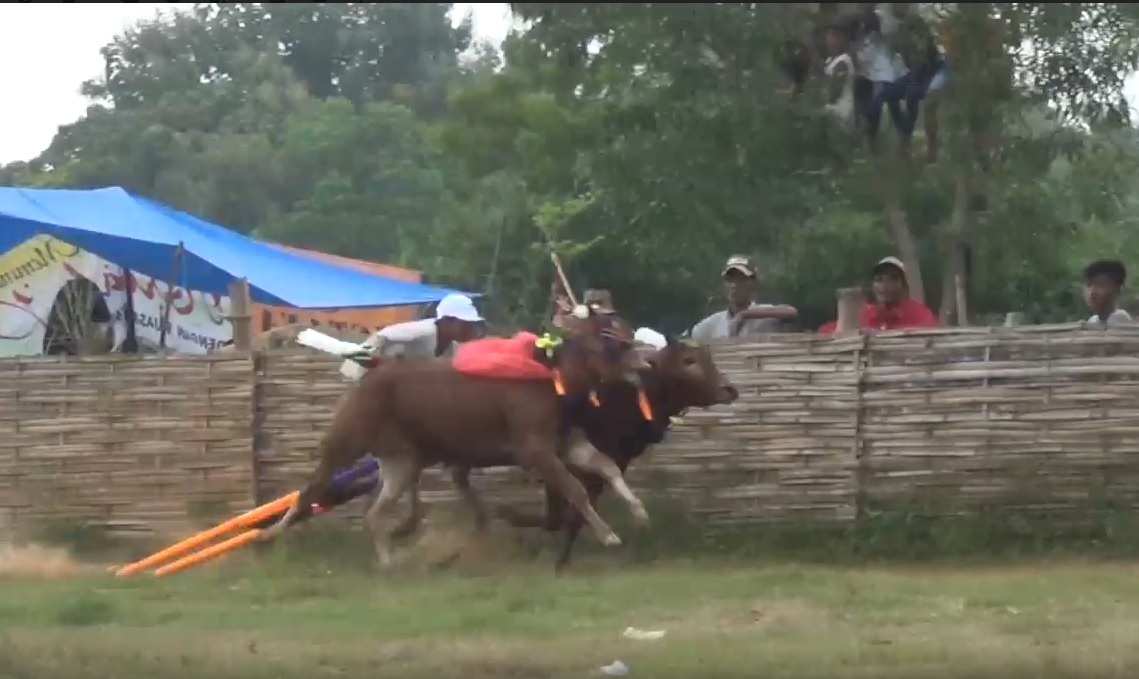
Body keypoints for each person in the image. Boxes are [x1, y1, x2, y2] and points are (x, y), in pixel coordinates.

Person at [340, 293, 484, 380]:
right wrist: (360, 368)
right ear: (447, 321)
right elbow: (381, 337)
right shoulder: (419, 333)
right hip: (366, 372)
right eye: (465, 324)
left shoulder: (451, 349)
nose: (470, 330)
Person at [690, 255, 798, 343]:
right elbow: (696, 335)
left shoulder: (765, 316)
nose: (734, 285)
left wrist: (744, 315)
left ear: (752, 283)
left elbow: (791, 312)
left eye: (741, 279)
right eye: (730, 280)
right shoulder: (712, 325)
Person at [861, 256, 937, 330]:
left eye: (893, 279)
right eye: (879, 279)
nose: (884, 285)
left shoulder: (921, 315)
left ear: (904, 285)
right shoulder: (867, 315)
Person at [1083, 259, 1132, 326]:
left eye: (1100, 285)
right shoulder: (1093, 321)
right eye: (1089, 285)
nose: (1092, 292)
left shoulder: (1120, 318)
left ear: (1118, 289)